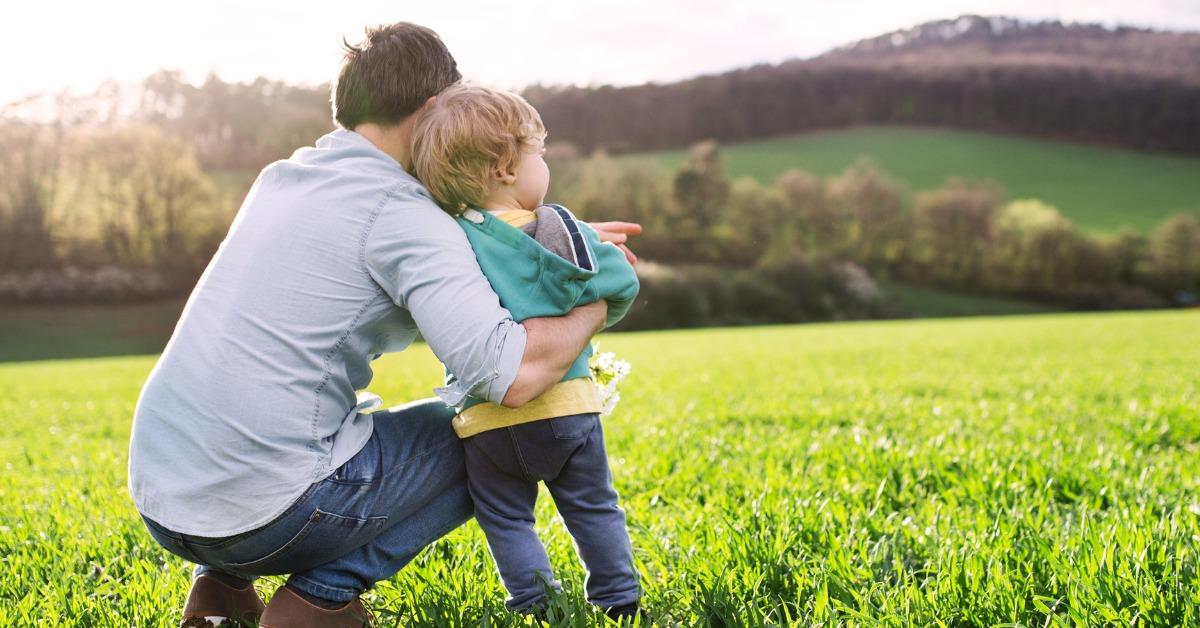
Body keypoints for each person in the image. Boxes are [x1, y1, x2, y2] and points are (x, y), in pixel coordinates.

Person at [126, 23, 642, 627]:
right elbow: (512, 376)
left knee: (274, 421)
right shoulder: (402, 212)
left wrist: (543, 245)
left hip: (164, 501)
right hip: (264, 515)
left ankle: (220, 593)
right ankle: (318, 601)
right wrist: (597, 300)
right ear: (434, 109)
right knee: (489, 435)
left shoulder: (284, 178)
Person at [410, 84, 642, 617]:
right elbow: (621, 284)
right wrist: (592, 312)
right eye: (540, 153)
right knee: (593, 508)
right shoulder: (563, 231)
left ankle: (536, 605)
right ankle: (619, 601)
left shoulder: (448, 243)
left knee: (506, 519)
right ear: (506, 168)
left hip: (486, 419)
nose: (546, 165)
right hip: (567, 406)